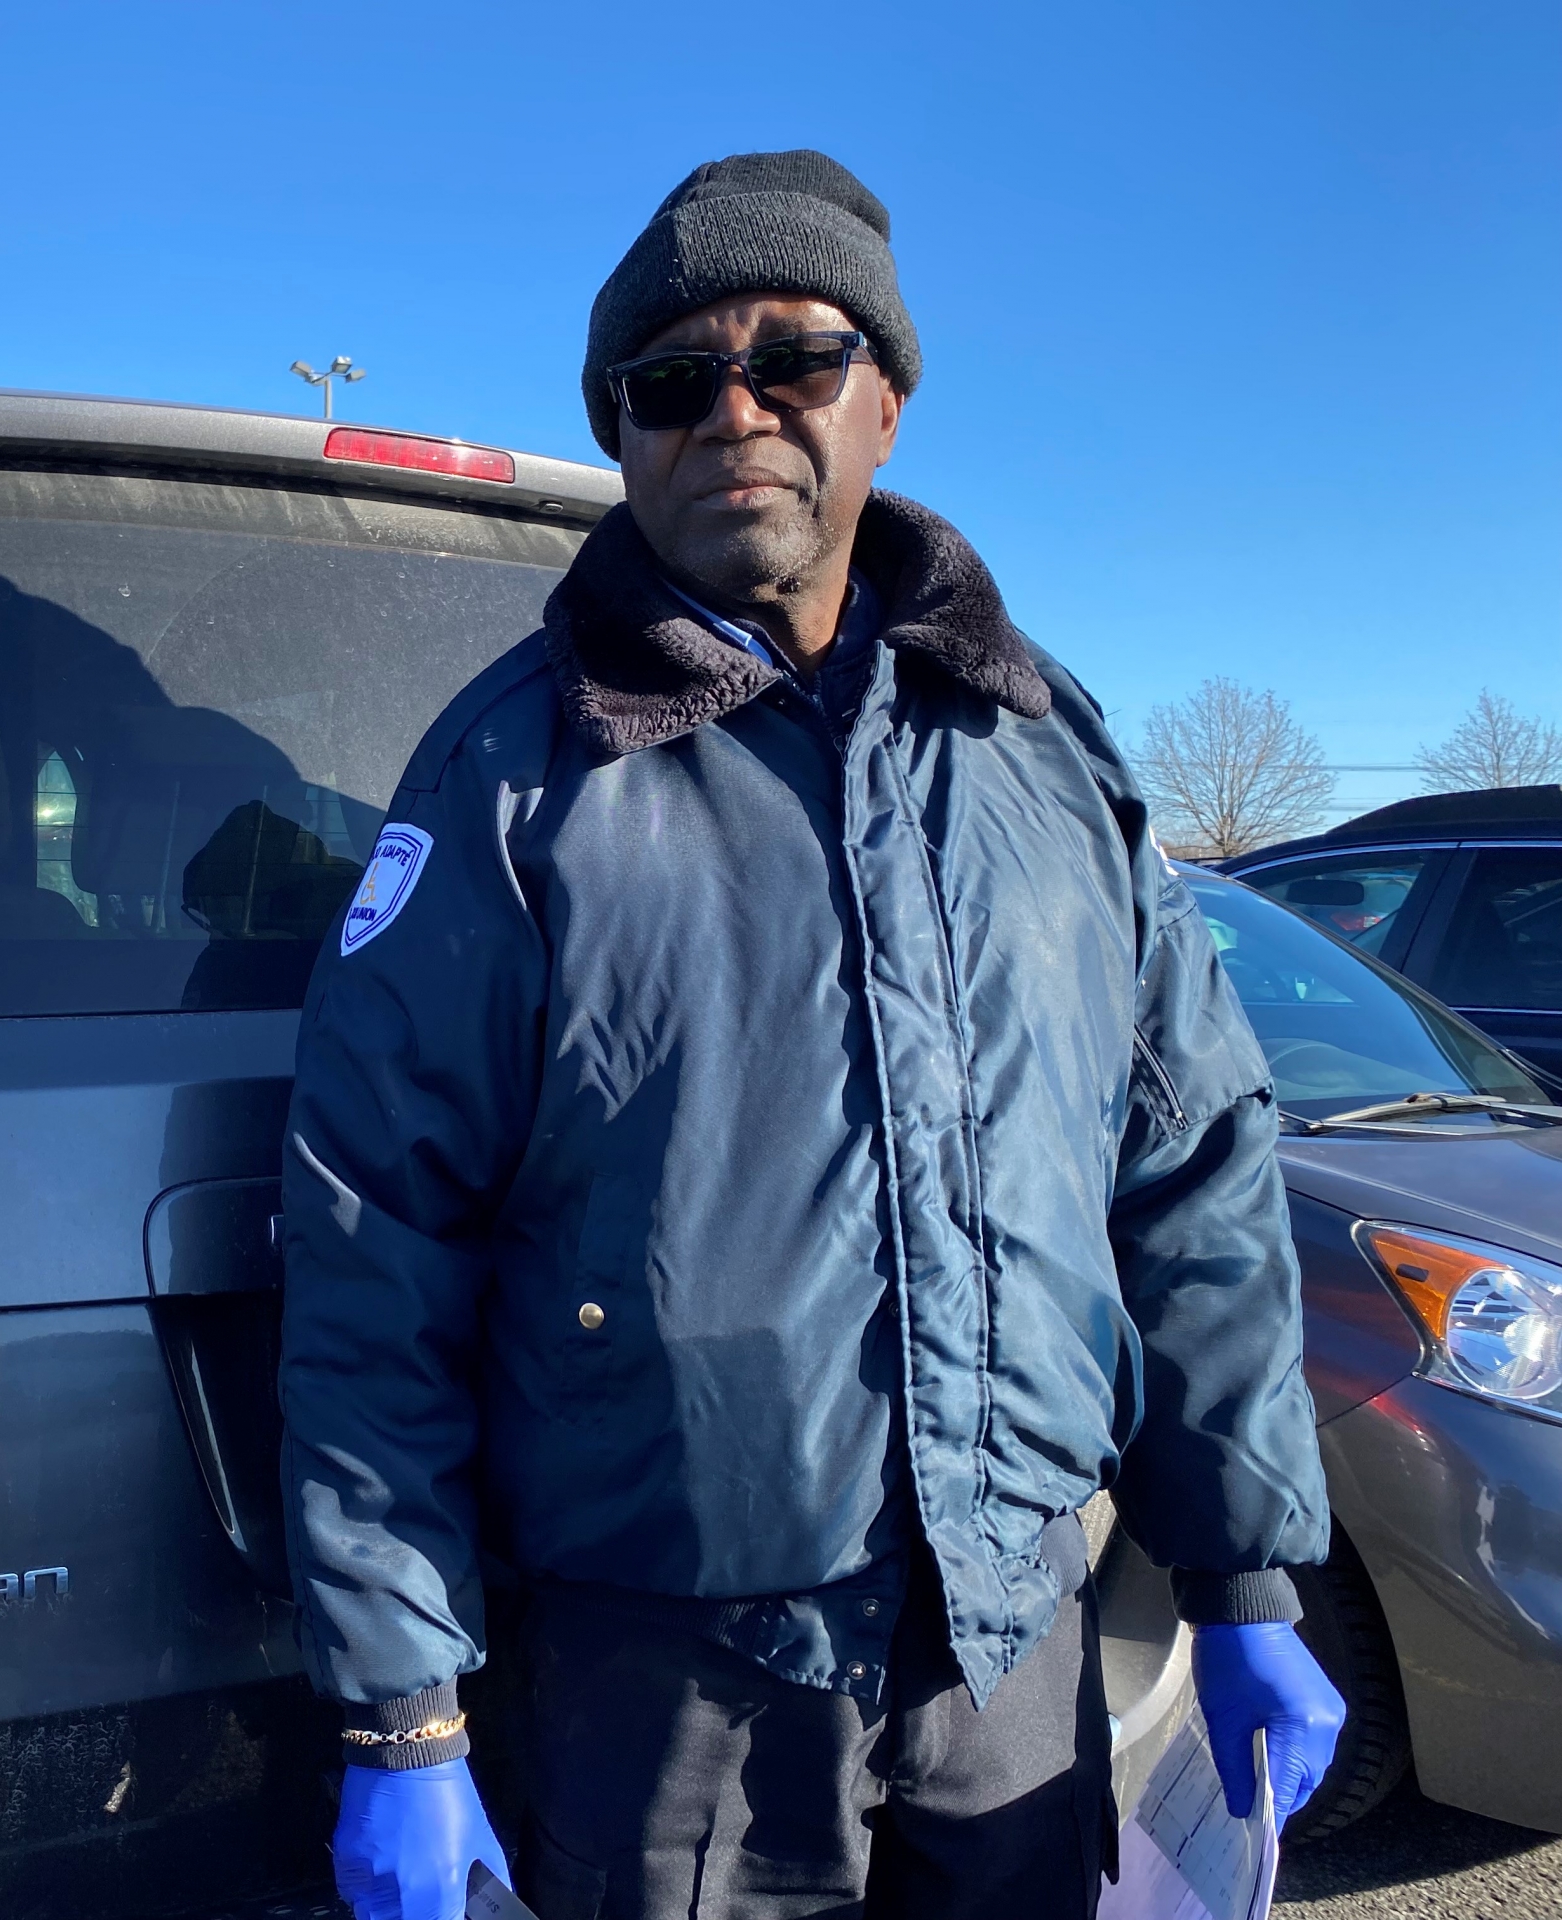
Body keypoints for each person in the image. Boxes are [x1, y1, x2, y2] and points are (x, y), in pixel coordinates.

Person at [279, 150, 1344, 1920]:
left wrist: (1247, 1575)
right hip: (668, 1684)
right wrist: (403, 1713)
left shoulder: (1046, 757)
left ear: (889, 405)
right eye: (674, 383)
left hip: (1009, 1637)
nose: (738, 413)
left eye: (798, 359)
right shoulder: (514, 782)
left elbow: (1196, 1172)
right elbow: (371, 1241)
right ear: (623, 436)